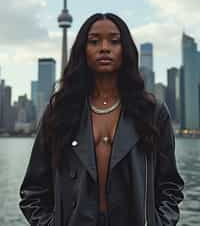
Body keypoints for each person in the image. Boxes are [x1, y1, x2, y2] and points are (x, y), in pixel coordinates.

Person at [19, 13, 184, 226]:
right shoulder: (59, 111)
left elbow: (170, 185)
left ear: (125, 49)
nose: (104, 48)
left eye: (114, 41)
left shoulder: (153, 112)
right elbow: (33, 190)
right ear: (82, 51)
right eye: (94, 41)